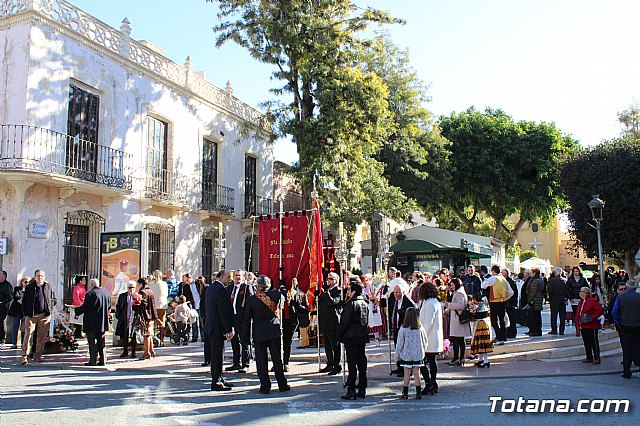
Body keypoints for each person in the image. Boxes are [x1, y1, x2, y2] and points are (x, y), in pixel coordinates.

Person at [242, 275, 290, 395]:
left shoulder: (252, 300)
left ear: (258, 286)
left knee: (261, 361)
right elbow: (284, 295)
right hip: (274, 331)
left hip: (259, 333)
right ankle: (282, 384)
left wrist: (245, 337)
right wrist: (282, 285)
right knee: (277, 359)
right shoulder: (277, 295)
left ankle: (265, 386)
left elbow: (247, 320)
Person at [338, 279, 369, 400]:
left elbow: (345, 321)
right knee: (361, 362)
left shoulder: (351, 304)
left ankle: (351, 389)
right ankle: (362, 388)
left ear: (354, 291)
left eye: (349, 290)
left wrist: (340, 334)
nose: (348, 292)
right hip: (361, 335)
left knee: (352, 364)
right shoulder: (365, 303)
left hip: (351, 336)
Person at [205, 269, 234, 391]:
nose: (229, 280)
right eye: (228, 277)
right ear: (222, 277)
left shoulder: (210, 288)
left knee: (217, 354)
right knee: (217, 356)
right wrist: (228, 329)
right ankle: (216, 381)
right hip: (218, 327)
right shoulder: (221, 290)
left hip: (211, 326)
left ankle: (220, 377)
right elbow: (224, 311)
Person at [74, 278, 111, 366]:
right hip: (102, 321)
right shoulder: (106, 293)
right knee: (101, 341)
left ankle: (93, 360)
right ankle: (103, 360)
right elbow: (109, 306)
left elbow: (85, 307)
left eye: (89, 285)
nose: (88, 287)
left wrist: (77, 311)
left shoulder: (90, 294)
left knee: (92, 341)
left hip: (91, 322)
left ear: (92, 285)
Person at [394, 307, 428, 400]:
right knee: (417, 372)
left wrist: (397, 355)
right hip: (417, 354)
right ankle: (418, 392)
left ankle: (405, 392)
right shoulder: (420, 328)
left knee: (407, 373)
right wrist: (423, 350)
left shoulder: (403, 328)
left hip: (407, 354)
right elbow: (425, 341)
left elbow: (400, 343)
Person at [20, 270, 51, 365]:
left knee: (42, 337)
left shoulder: (47, 286)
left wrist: (50, 308)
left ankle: (38, 355)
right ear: (35, 277)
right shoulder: (30, 287)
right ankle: (25, 356)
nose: (40, 278)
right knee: (28, 335)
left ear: (44, 277)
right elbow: (24, 301)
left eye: (42, 276)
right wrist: (26, 313)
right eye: (38, 276)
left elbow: (51, 298)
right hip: (32, 315)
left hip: (44, 315)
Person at [418, 282, 443, 395]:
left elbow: (428, 322)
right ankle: (433, 382)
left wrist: (422, 335)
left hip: (428, 337)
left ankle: (429, 383)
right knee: (432, 361)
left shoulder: (429, 303)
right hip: (433, 336)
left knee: (422, 361)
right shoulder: (434, 302)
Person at [226, 269, 253, 372]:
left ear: (243, 277)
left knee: (244, 341)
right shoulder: (230, 288)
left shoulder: (246, 287)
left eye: (239, 275)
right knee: (234, 340)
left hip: (243, 318)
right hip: (233, 318)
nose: (237, 277)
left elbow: (250, 303)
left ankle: (245, 363)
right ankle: (236, 362)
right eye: (236, 275)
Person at [612, 280, 640, 379]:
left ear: (627, 287)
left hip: (625, 325)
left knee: (626, 348)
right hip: (637, 325)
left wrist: (619, 322)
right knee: (637, 347)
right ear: (635, 287)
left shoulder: (620, 297)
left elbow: (615, 312)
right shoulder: (638, 297)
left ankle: (626, 371)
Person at [317, 272, 343, 375]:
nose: (329, 281)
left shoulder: (339, 291)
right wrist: (317, 297)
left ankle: (337, 365)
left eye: (331, 279)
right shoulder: (325, 292)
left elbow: (333, 302)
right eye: (328, 279)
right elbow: (322, 305)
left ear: (336, 280)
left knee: (335, 345)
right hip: (324, 321)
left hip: (333, 322)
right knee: (327, 345)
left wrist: (326, 293)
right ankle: (330, 363)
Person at [388, 283, 416, 376]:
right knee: (398, 348)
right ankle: (399, 366)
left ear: (403, 292)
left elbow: (414, 313)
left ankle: (405, 369)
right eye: (395, 292)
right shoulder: (392, 300)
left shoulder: (408, 302)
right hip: (395, 328)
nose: (397, 294)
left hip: (404, 329)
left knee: (404, 349)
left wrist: (403, 313)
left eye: (399, 292)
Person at [282, 278, 308, 372]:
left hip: (290, 321)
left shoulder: (294, 294)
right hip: (280, 320)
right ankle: (278, 362)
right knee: (278, 343)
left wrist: (307, 311)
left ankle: (286, 362)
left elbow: (298, 306)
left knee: (287, 343)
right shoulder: (280, 292)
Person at [481, 265, 511, 344]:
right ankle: (504, 337)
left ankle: (499, 337)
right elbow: (511, 292)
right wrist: (505, 298)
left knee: (494, 320)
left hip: (494, 301)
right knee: (502, 319)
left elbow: (483, 285)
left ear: (493, 271)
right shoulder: (503, 279)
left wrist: (485, 280)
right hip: (503, 301)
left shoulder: (493, 278)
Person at [575, 287, 604, 364]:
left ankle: (596, 357)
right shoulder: (581, 302)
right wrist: (577, 325)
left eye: (582, 292)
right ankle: (589, 356)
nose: (580, 293)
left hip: (591, 325)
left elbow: (600, 310)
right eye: (580, 291)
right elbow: (578, 313)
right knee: (586, 342)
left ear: (586, 293)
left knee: (594, 342)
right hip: (583, 325)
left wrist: (592, 318)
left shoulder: (592, 301)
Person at [445, 278, 470, 366]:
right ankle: (460, 358)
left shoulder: (459, 293)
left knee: (457, 339)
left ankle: (458, 358)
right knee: (459, 339)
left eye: (452, 285)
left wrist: (448, 305)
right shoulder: (458, 292)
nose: (451, 287)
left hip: (458, 319)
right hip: (456, 318)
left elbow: (460, 305)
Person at [135, 277, 158, 360]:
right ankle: (151, 351)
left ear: (141, 284)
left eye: (137, 284)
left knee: (146, 334)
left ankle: (146, 353)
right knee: (149, 334)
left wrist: (137, 300)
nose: (137, 286)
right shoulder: (150, 291)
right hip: (151, 315)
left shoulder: (143, 292)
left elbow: (142, 304)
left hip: (145, 316)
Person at [115, 280, 138, 358]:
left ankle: (133, 352)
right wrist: (118, 315)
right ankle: (125, 351)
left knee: (133, 335)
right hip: (124, 318)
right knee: (124, 335)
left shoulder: (137, 296)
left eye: (133, 287)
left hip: (133, 318)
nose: (131, 289)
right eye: (129, 287)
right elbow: (118, 306)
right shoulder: (122, 296)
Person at [469, 294, 493, 368]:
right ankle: (481, 360)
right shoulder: (485, 305)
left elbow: (472, 312)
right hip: (486, 324)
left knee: (481, 344)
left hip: (479, 325)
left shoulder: (475, 306)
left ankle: (486, 361)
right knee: (482, 344)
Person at [178, 274, 202, 342]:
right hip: (191, 306)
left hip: (199, 304)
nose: (186, 282)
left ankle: (203, 336)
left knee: (201, 322)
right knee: (193, 322)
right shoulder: (185, 286)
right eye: (185, 280)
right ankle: (194, 337)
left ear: (190, 278)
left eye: (187, 280)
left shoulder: (197, 283)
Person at [148, 270, 168, 346]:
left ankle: (154, 340)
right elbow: (166, 294)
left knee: (153, 323)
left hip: (153, 305)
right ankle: (162, 340)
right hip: (162, 305)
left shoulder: (150, 284)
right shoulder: (164, 284)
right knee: (162, 323)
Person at [7, 276, 29, 348]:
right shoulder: (17, 289)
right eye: (25, 282)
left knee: (24, 328)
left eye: (28, 282)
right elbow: (16, 296)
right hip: (16, 310)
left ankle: (23, 343)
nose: (27, 284)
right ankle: (14, 343)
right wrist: (22, 300)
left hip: (24, 311)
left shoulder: (30, 290)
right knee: (14, 327)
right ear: (22, 282)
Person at [362, 275, 383, 346]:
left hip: (372, 307)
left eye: (366, 281)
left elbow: (376, 297)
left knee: (375, 323)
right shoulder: (361, 288)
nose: (365, 282)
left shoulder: (371, 287)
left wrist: (374, 298)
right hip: (365, 306)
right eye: (363, 281)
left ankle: (377, 338)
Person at [547, 267, 567, 335]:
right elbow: (567, 290)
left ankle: (554, 330)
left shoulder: (552, 280)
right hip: (563, 299)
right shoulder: (565, 280)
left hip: (554, 299)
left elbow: (550, 290)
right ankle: (562, 330)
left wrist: (549, 298)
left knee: (554, 315)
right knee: (562, 315)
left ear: (555, 273)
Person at [526, 268, 544, 337]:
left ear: (534, 273)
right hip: (538, 300)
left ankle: (535, 331)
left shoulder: (535, 281)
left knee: (534, 316)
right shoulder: (540, 280)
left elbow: (533, 292)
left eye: (531, 272)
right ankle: (537, 330)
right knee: (537, 316)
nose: (530, 273)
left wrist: (530, 300)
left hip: (535, 301)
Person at [502, 269, 519, 339]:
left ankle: (511, 333)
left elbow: (513, 293)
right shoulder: (505, 280)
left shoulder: (510, 282)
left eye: (502, 272)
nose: (501, 273)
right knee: (508, 318)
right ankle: (509, 332)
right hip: (508, 303)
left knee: (511, 318)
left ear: (506, 273)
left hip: (510, 303)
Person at [0, 270, 13, 344]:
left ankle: (1, 338)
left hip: (3, 307)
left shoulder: (7, 285)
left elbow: (9, 297)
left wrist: (1, 302)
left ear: (4, 276)